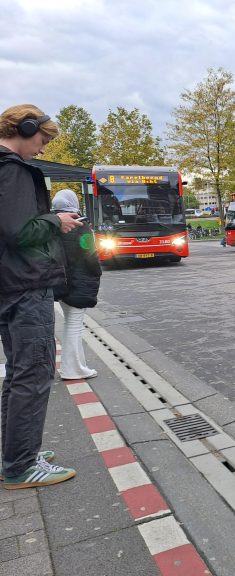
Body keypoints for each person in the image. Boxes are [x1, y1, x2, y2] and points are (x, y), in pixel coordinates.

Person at [0, 104, 82, 490]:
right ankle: (21, 465)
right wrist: (56, 221)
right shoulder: (13, 171)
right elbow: (18, 232)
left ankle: (15, 454)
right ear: (26, 128)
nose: (44, 149)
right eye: (43, 140)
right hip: (25, 286)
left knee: (18, 374)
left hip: (10, 284)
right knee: (34, 373)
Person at [52, 189, 102, 380]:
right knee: (74, 327)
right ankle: (72, 369)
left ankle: (76, 366)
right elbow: (90, 255)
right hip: (79, 283)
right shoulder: (81, 226)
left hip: (61, 283)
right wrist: (97, 271)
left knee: (69, 325)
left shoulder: (53, 226)